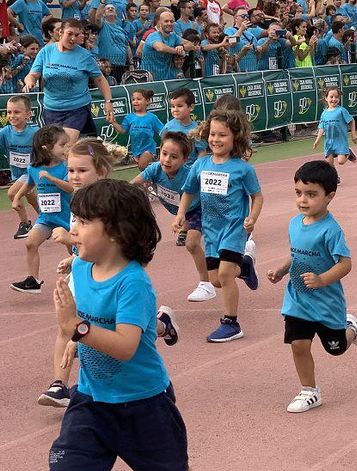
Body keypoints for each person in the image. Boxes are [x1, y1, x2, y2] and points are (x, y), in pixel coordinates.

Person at [47, 180, 198, 471]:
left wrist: (77, 329)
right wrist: (77, 341)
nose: (72, 228)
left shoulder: (133, 283)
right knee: (67, 465)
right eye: (73, 219)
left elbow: (126, 347)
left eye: (84, 222)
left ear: (116, 231)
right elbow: (90, 322)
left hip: (143, 402)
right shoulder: (80, 269)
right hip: (92, 398)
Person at [266, 160, 357, 413]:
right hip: (297, 300)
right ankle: (309, 391)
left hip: (326, 302)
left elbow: (345, 264)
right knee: (299, 344)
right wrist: (281, 270)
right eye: (299, 193)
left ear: (329, 196)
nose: (303, 200)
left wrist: (322, 280)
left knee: (336, 348)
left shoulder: (331, 230)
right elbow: (297, 255)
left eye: (311, 194)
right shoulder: (294, 224)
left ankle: (351, 328)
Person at [37, 138, 117, 408]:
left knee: (104, 326)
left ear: (101, 171)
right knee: (66, 324)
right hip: (82, 271)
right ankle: (59, 384)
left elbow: (108, 241)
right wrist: (73, 260)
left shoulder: (108, 203)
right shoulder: (77, 199)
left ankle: (160, 322)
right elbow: (86, 243)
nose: (74, 176)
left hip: (108, 274)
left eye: (82, 171)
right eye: (71, 171)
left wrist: (70, 240)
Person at [175, 109, 263, 343]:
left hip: (234, 228)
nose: (216, 139)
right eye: (212, 134)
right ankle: (244, 266)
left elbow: (257, 196)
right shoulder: (201, 164)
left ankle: (231, 323)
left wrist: (252, 218)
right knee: (215, 280)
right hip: (211, 229)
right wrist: (181, 214)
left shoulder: (242, 169)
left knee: (224, 275)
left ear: (235, 137)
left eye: (222, 135)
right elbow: (189, 191)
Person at [133, 132, 215, 303]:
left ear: (185, 160)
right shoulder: (155, 169)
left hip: (199, 208)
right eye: (164, 154)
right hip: (181, 212)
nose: (167, 160)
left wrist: (181, 215)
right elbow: (133, 184)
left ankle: (206, 285)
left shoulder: (188, 174)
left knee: (192, 244)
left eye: (174, 157)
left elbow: (193, 196)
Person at [23, 20, 112, 142]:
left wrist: (108, 101)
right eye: (69, 34)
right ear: (60, 32)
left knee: (66, 144)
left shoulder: (85, 56)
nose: (73, 38)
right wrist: (29, 82)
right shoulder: (46, 52)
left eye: (77, 35)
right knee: (54, 148)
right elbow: (32, 74)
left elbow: (100, 79)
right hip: (51, 109)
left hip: (77, 108)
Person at [10, 125, 72, 294]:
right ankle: (33, 280)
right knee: (30, 243)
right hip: (45, 217)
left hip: (66, 216)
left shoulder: (66, 166)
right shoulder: (34, 168)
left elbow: (71, 188)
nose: (67, 148)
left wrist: (52, 178)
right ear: (46, 148)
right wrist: (17, 197)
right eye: (62, 145)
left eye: (67, 144)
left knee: (73, 248)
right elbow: (30, 182)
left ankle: (79, 276)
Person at [0, 95, 40, 239]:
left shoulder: (35, 133)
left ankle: (25, 224)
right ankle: (48, 221)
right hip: (17, 174)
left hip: (32, 171)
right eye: (9, 112)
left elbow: (46, 149)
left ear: (28, 114)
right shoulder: (5, 132)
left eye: (16, 112)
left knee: (12, 193)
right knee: (32, 199)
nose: (12, 115)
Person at [108, 88, 164, 170]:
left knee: (142, 166)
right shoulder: (129, 117)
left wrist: (168, 141)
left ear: (147, 101)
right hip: (136, 149)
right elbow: (123, 130)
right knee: (142, 169)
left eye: (139, 99)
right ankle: (151, 179)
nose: (135, 101)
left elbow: (162, 131)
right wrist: (113, 122)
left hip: (149, 148)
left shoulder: (152, 117)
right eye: (133, 99)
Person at [314, 86, 357, 166]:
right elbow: (321, 127)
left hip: (341, 141)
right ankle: (335, 178)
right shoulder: (324, 113)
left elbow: (352, 121)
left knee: (341, 161)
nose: (334, 99)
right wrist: (317, 140)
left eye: (336, 97)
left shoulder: (341, 110)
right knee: (329, 164)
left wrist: (353, 134)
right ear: (326, 98)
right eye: (331, 97)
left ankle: (348, 152)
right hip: (328, 142)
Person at [94, 2, 130, 82]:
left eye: (112, 8)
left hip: (121, 65)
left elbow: (127, 46)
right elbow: (97, 18)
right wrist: (103, 2)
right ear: (103, 14)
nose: (110, 9)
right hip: (107, 66)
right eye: (107, 8)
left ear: (116, 14)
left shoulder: (121, 29)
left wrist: (130, 64)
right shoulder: (102, 26)